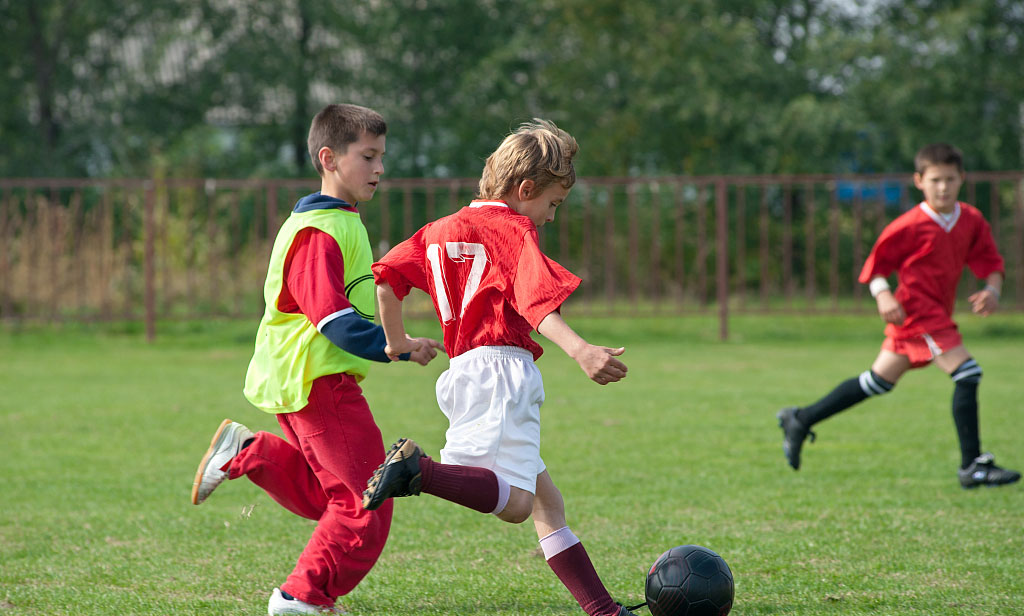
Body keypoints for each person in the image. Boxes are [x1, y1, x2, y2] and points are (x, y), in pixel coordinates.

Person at [362, 119, 636, 616]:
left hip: (466, 371)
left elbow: (386, 281)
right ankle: (416, 470)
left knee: (545, 503)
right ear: (525, 188)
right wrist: (580, 350)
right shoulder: (513, 229)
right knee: (515, 506)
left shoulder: (437, 230)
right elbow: (536, 302)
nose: (550, 218)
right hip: (503, 370)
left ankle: (603, 610)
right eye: (552, 204)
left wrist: (397, 342)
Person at [189, 103, 442, 615]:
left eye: (382, 157)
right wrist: (390, 347)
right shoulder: (319, 231)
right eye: (368, 156)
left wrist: (400, 340)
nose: (379, 168)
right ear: (329, 158)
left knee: (329, 498)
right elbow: (332, 320)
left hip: (307, 380)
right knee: (367, 500)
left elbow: (343, 314)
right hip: (318, 384)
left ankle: (248, 452)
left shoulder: (338, 222)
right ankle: (300, 598)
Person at [777, 142, 1019, 489]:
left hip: (934, 314)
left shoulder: (971, 220)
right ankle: (973, 466)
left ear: (962, 179)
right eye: (935, 180)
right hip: (917, 313)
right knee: (968, 373)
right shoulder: (908, 225)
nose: (943, 187)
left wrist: (992, 291)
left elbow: (992, 264)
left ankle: (800, 419)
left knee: (877, 382)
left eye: (950, 179)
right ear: (919, 181)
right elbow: (876, 267)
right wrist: (884, 294)